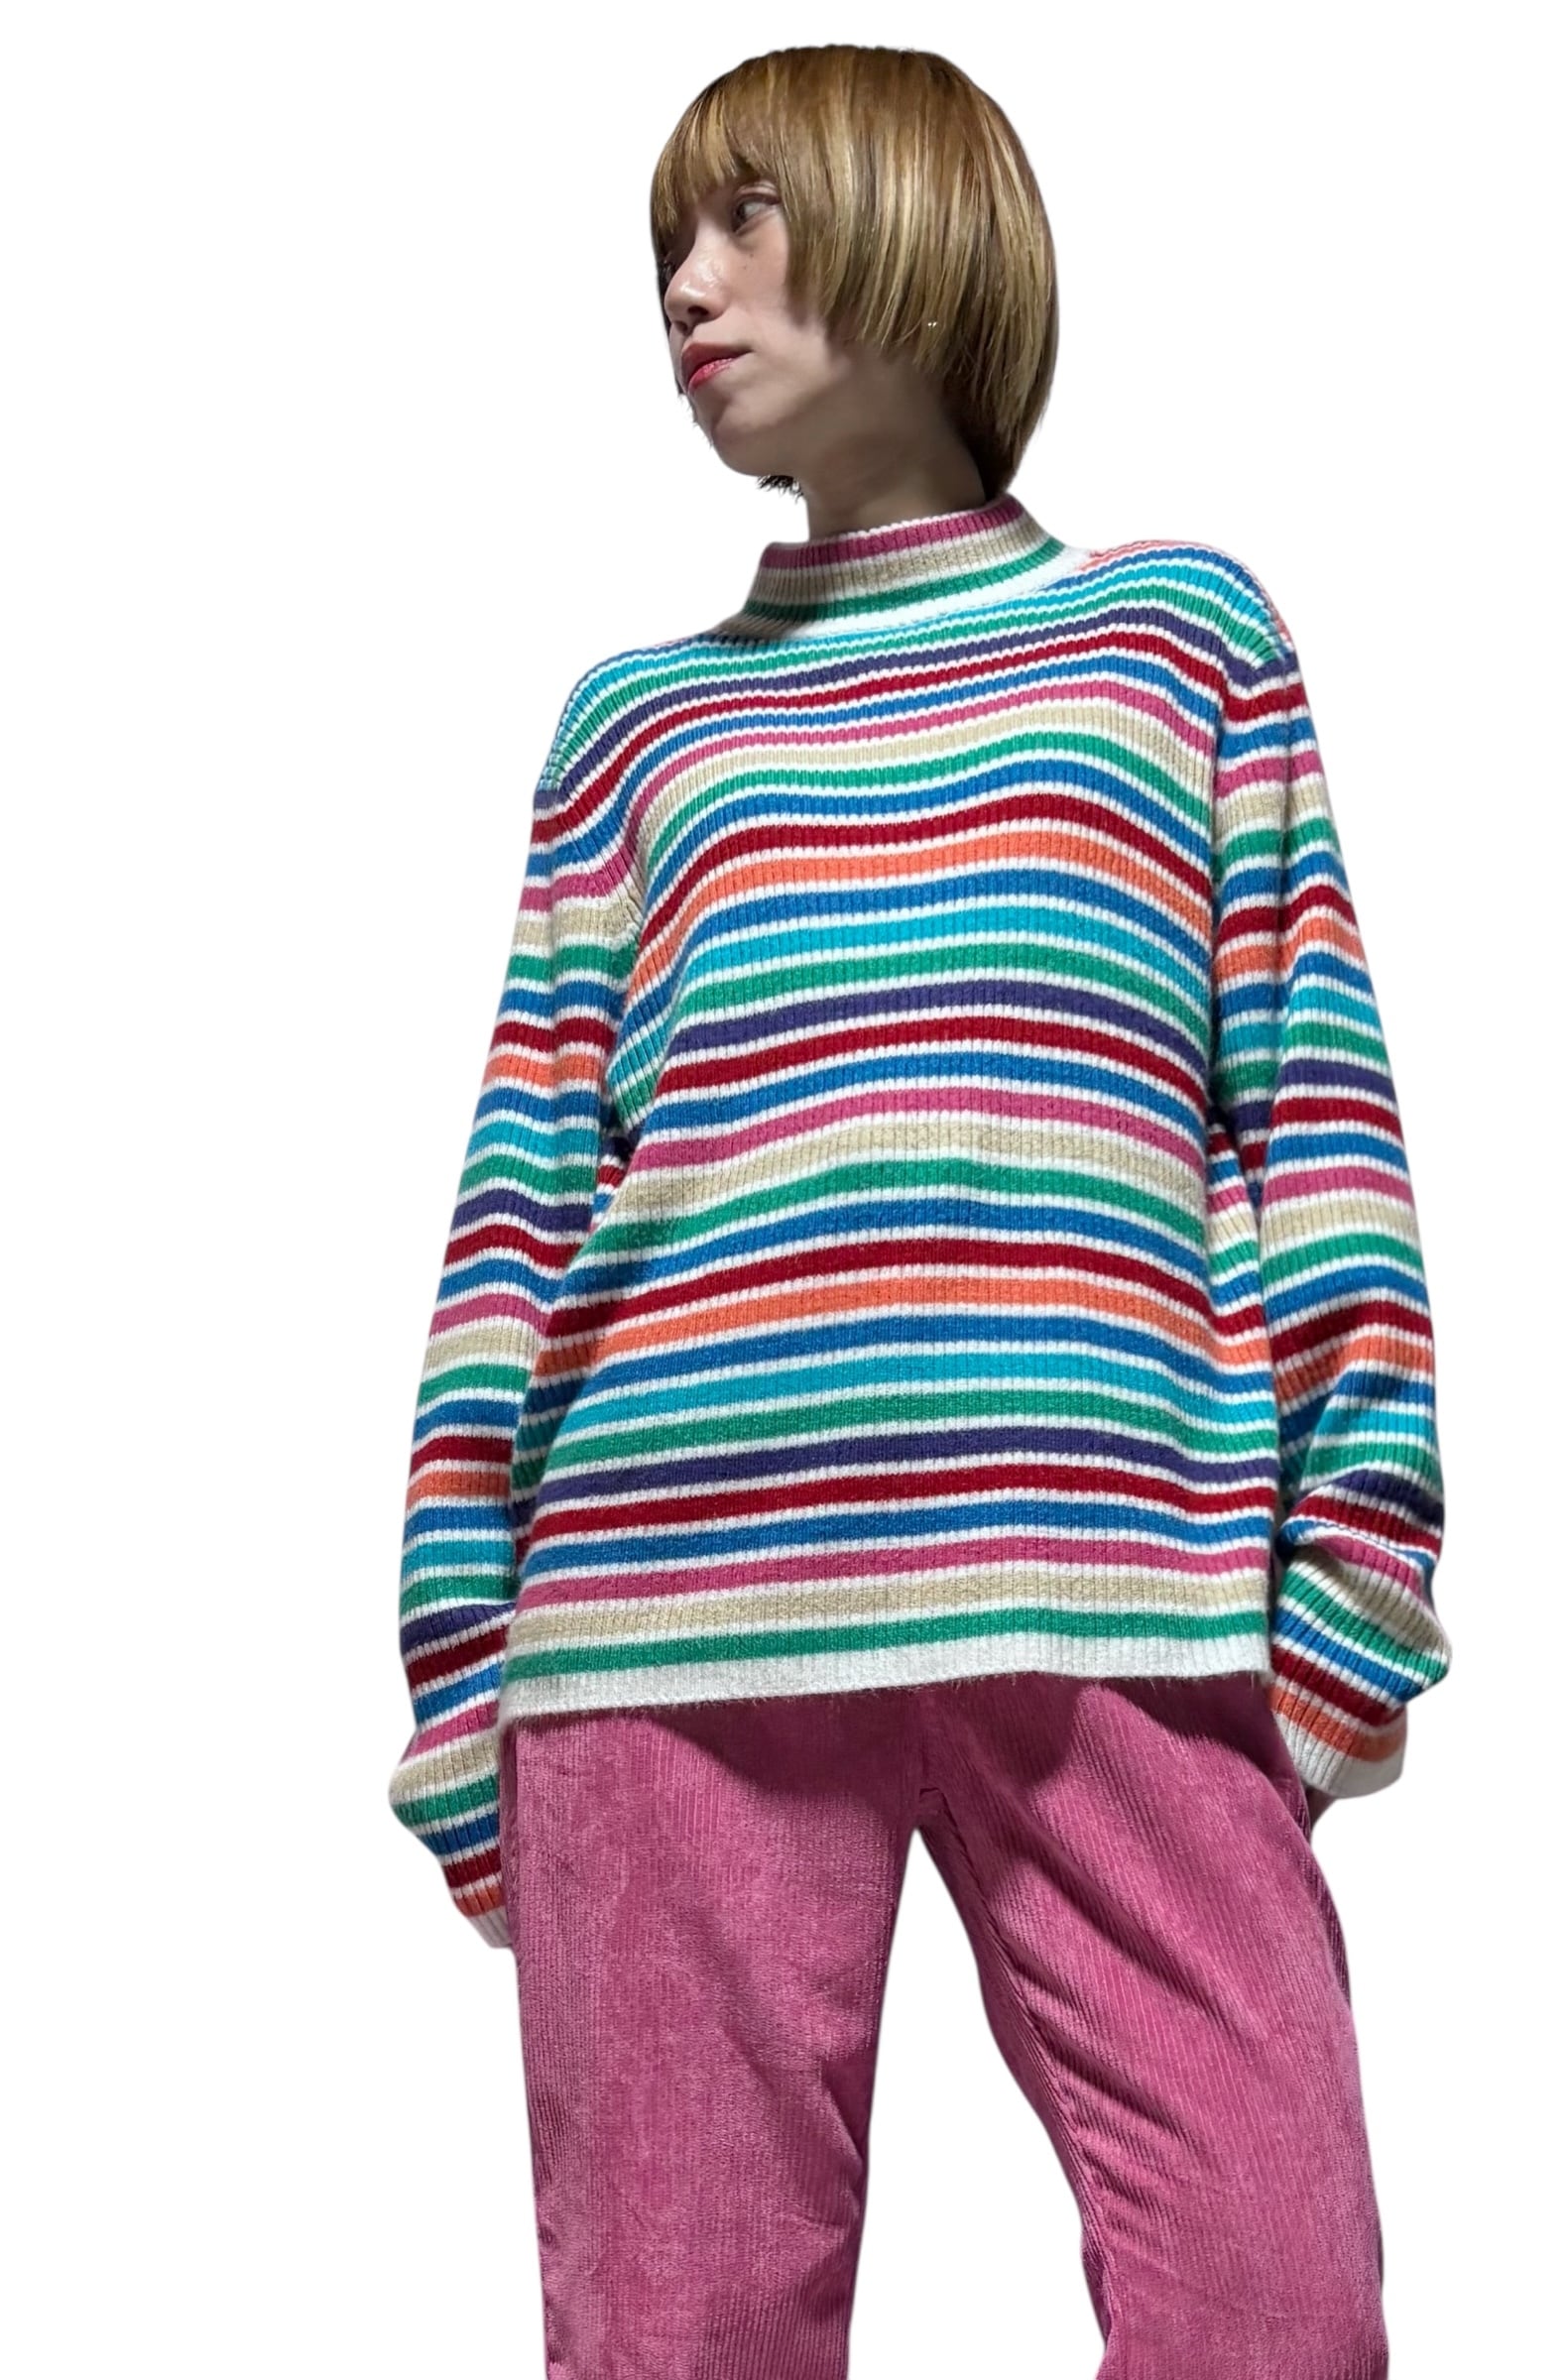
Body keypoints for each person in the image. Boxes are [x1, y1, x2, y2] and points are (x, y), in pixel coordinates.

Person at [387, 41, 1450, 2379]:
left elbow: (1314, 1113)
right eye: (665, 245)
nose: (685, 286)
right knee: (678, 2343)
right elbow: (524, 1204)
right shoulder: (635, 728)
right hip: (656, 1632)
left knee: (1276, 2309)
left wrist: (1358, 1575)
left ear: (918, 226)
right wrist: (458, 1667)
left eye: (745, 218)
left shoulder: (1180, 638)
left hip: (1115, 1594)